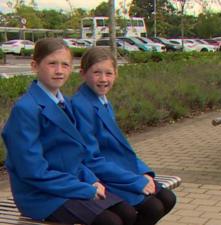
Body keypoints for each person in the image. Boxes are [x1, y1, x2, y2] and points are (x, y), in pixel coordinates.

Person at [1, 38, 139, 225]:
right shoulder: (26, 109)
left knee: (128, 213)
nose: (59, 71)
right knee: (109, 221)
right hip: (40, 195)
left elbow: (76, 154)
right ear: (35, 66)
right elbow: (33, 171)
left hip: (69, 183)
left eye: (65, 65)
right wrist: (83, 189)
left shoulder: (64, 102)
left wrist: (90, 179)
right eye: (52, 64)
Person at [71, 47, 176, 225]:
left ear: (116, 74)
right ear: (83, 73)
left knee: (167, 198)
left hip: (118, 169)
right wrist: (135, 181)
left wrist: (143, 172)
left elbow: (122, 148)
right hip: (104, 175)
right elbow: (91, 159)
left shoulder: (101, 101)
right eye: (97, 73)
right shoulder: (81, 106)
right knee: (152, 207)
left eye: (108, 73)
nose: (103, 79)